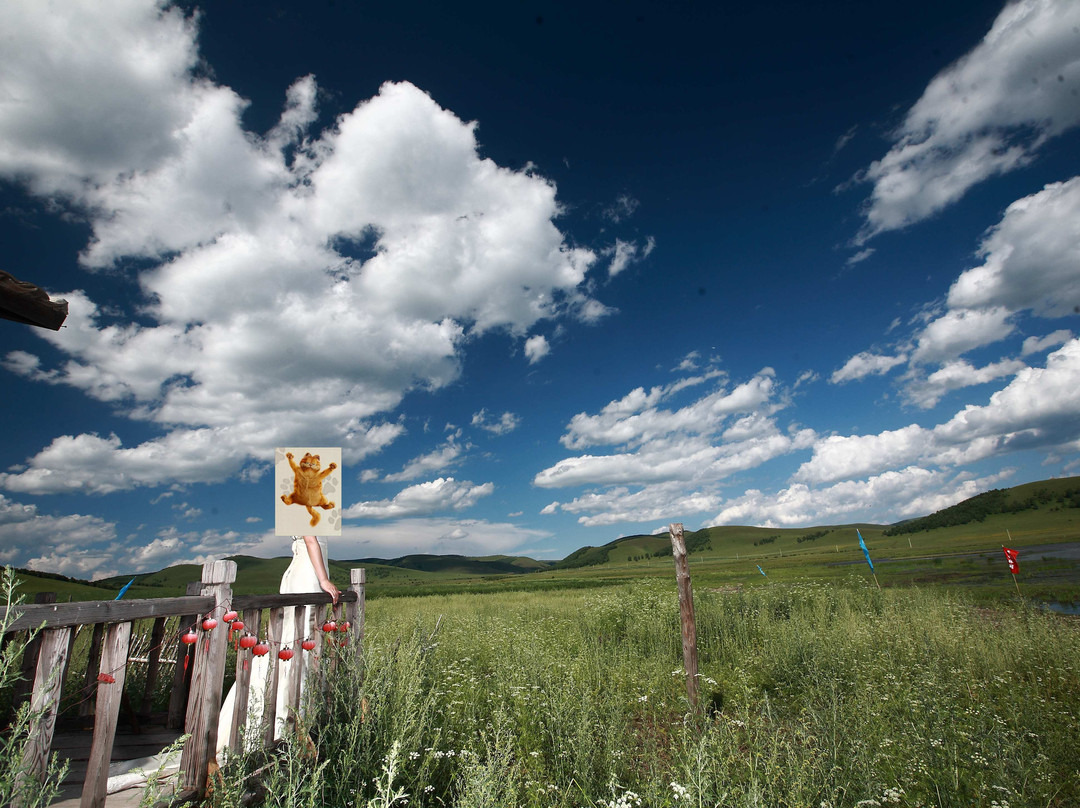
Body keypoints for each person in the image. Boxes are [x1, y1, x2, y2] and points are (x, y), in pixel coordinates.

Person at [215, 535, 339, 755]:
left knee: (299, 638)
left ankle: (295, 708)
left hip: (304, 570)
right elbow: (311, 540)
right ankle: (290, 712)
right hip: (309, 574)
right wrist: (323, 580)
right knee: (300, 638)